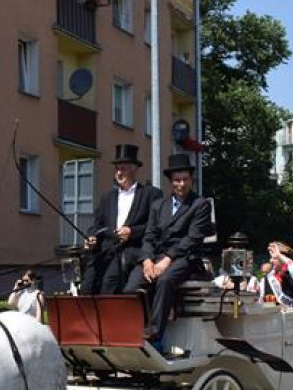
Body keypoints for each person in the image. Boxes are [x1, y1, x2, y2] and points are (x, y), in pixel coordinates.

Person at [136, 153, 215, 349]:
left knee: (165, 280)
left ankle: (155, 336)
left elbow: (192, 239)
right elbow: (149, 237)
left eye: (185, 180)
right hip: (156, 258)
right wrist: (146, 260)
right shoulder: (158, 206)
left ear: (191, 179)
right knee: (131, 285)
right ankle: (132, 330)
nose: (181, 184)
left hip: (185, 258)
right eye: (177, 180)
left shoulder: (200, 204)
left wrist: (166, 260)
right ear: (171, 181)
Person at [81, 144, 162, 294]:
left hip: (134, 252)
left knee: (110, 285)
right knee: (88, 285)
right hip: (107, 251)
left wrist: (132, 232)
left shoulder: (150, 194)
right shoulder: (108, 198)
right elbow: (96, 224)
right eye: (117, 169)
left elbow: (156, 227)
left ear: (134, 169)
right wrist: (91, 237)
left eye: (123, 168)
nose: (119, 173)